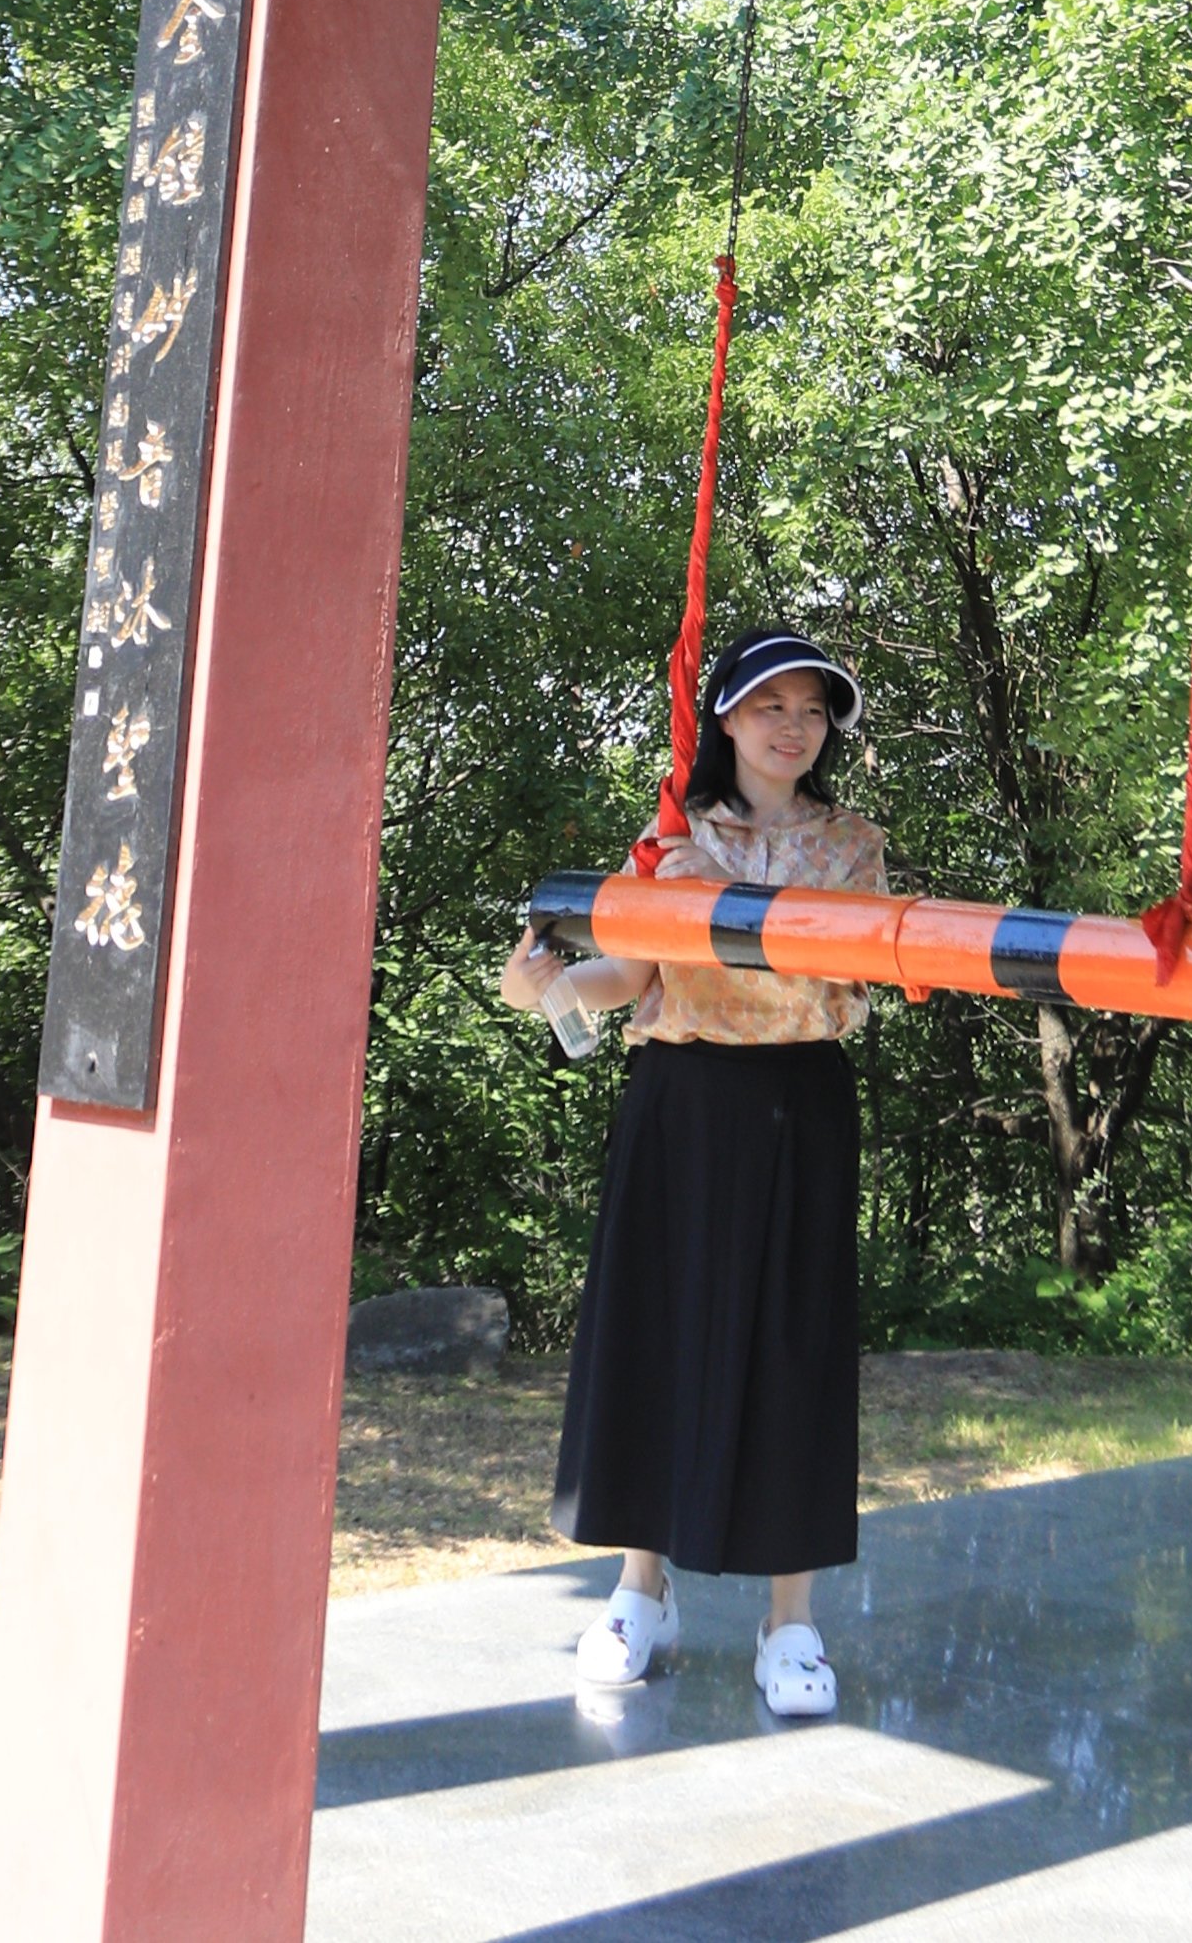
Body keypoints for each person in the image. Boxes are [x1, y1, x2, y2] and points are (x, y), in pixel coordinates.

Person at [500, 626, 878, 1719]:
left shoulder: (852, 844)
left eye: (811, 710)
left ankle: (790, 1622)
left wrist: (729, 907)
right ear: (724, 717)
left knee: (791, 1348)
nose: (792, 727)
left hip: (798, 1101)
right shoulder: (669, 839)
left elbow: (839, 960)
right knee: (657, 1335)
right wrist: (556, 985)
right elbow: (630, 964)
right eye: (771, 706)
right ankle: (639, 1591)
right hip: (680, 1103)